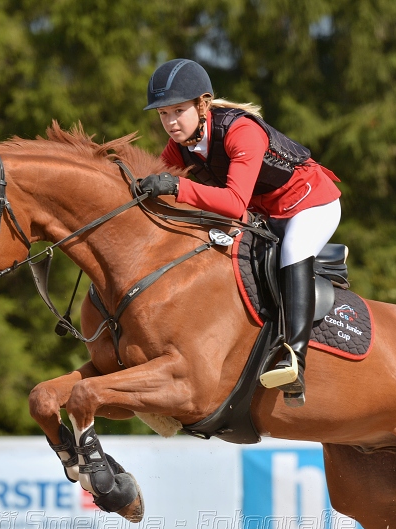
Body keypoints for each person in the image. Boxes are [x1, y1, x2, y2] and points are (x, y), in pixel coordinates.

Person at [138, 58, 342, 406]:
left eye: (177, 111)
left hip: (311, 204)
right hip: (265, 214)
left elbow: (233, 203)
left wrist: (176, 187)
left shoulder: (240, 131)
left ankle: (294, 358)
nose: (170, 123)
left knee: (293, 251)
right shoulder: (180, 147)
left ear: (202, 104)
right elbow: (160, 187)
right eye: (163, 115)